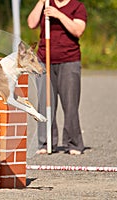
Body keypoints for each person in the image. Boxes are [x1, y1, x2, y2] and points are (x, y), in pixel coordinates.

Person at [27, 0, 87, 155]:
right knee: (45, 102)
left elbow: (78, 30)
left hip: (69, 60)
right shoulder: (46, 3)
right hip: (44, 60)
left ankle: (73, 143)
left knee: (70, 103)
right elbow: (31, 23)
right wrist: (41, 3)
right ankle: (45, 142)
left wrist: (58, 15)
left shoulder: (77, 7)